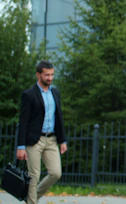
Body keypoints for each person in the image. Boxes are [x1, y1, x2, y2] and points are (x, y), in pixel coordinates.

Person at [16, 60, 68, 204]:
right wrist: (20, 146)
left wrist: (62, 140)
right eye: (47, 75)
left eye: (52, 75)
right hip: (34, 139)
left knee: (56, 173)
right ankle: (32, 202)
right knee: (34, 176)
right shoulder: (29, 95)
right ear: (38, 75)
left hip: (51, 139)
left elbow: (59, 117)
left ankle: (31, 198)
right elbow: (23, 121)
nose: (50, 78)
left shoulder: (55, 93)